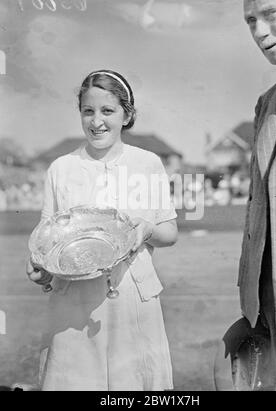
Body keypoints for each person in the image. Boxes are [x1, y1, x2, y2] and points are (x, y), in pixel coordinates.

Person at [26, 69, 178, 391]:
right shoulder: (61, 169)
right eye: (88, 111)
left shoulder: (148, 163)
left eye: (107, 111)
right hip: (74, 305)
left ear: (127, 115)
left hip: (134, 299)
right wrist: (41, 268)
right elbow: (47, 239)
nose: (97, 121)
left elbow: (169, 232)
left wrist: (147, 229)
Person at [238, 0, 276, 390]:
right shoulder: (266, 101)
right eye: (250, 21)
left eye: (270, 14)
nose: (259, 31)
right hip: (272, 300)